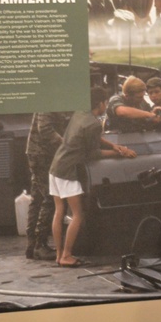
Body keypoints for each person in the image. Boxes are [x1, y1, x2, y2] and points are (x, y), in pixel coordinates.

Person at [49, 86, 135, 267]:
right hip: (68, 171)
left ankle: (59, 255)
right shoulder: (94, 123)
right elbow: (93, 153)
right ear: (101, 104)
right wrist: (119, 153)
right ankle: (67, 255)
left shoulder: (80, 113)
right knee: (78, 214)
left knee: (59, 212)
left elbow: (93, 138)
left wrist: (114, 146)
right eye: (105, 102)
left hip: (56, 166)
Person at [25, 111, 70, 260]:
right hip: (42, 154)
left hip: (41, 153)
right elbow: (44, 129)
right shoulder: (50, 100)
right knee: (50, 197)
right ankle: (40, 244)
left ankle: (32, 244)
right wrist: (65, 145)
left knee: (37, 198)